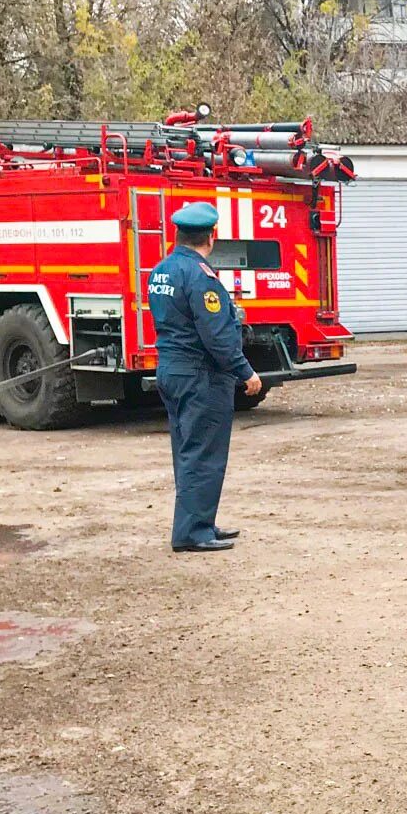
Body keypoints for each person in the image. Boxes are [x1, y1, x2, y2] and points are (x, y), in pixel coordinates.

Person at [145, 201, 262, 553]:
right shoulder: (201, 277)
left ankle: (200, 522)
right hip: (201, 377)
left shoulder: (162, 270)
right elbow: (216, 335)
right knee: (204, 454)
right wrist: (246, 372)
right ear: (212, 236)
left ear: (177, 234)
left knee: (188, 450)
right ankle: (193, 532)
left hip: (172, 369)